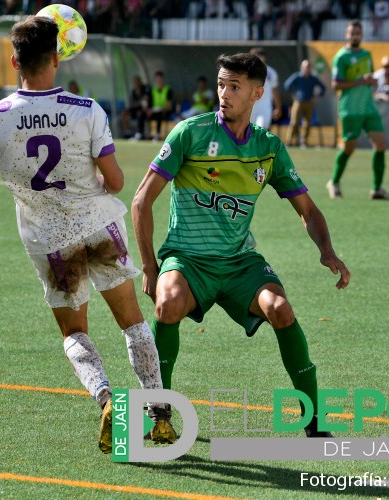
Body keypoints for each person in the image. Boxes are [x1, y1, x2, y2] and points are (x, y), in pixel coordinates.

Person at [0, 16, 174, 454]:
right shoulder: (87, 110)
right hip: (100, 226)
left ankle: (110, 402)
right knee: (132, 322)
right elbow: (114, 182)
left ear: (14, 60)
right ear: (58, 58)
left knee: (75, 332)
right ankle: (161, 416)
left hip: (50, 241)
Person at [131, 52, 350, 438]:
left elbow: (309, 211)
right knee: (166, 305)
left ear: (257, 93)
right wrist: (150, 267)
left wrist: (326, 250)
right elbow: (141, 201)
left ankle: (313, 422)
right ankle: (158, 414)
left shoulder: (268, 148)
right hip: (188, 259)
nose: (223, 93)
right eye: (220, 84)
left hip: (239, 262)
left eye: (234, 86)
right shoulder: (190, 133)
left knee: (280, 308)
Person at [328, 20, 389, 201]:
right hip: (350, 108)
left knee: (381, 144)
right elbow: (336, 85)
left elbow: (370, 78)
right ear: (346, 35)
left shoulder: (367, 54)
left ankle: (377, 189)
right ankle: (333, 182)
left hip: (368, 106)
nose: (354, 36)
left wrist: (373, 82)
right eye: (351, 33)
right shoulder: (341, 57)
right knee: (349, 148)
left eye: (357, 33)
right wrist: (361, 81)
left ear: (361, 35)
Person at [283, 59, 326, 147]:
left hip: (309, 102)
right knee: (294, 121)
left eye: (309, 67)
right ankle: (289, 140)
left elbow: (323, 88)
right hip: (298, 102)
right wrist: (293, 94)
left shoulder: (313, 78)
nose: (307, 69)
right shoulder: (297, 76)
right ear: (302, 67)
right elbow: (287, 85)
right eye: (305, 67)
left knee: (307, 123)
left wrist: (316, 96)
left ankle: (304, 141)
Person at [249, 47, 282, 129]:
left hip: (264, 106)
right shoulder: (246, 71)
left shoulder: (270, 73)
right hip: (249, 106)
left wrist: (278, 107)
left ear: (264, 57)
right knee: (248, 132)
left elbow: (275, 90)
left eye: (259, 56)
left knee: (261, 128)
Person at [146, 71, 174, 141]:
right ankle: (140, 134)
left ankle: (158, 135)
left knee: (160, 115)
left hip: (165, 111)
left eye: (160, 79)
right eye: (157, 79)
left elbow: (168, 105)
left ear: (163, 79)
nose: (159, 81)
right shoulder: (152, 89)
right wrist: (148, 110)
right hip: (154, 111)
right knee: (142, 115)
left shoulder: (168, 89)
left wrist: (155, 109)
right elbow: (149, 102)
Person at [121, 75, 150, 139]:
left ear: (140, 82)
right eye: (135, 82)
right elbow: (132, 103)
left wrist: (139, 103)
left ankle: (140, 133)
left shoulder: (145, 89)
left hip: (143, 109)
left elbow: (145, 101)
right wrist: (139, 102)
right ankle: (127, 132)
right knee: (124, 113)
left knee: (140, 113)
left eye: (137, 82)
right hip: (135, 108)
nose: (136, 83)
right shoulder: (134, 91)